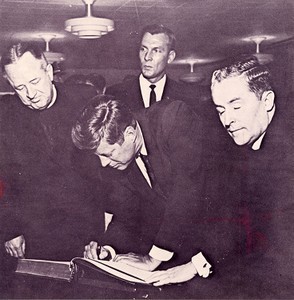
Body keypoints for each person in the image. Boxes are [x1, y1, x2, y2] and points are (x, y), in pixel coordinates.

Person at [144, 56, 294, 298]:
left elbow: (271, 245)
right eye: (220, 110)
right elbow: (232, 218)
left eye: (236, 106)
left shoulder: (287, 152)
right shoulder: (237, 145)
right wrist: (196, 264)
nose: (227, 120)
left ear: (267, 100)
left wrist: (197, 267)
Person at [72, 95, 212, 277]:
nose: (103, 164)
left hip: (217, 244)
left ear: (129, 134)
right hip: (176, 253)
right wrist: (108, 250)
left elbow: (185, 192)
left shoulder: (173, 118)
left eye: (108, 154)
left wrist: (152, 259)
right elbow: (126, 214)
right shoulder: (121, 160)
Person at [0, 42, 104, 261]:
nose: (29, 94)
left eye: (34, 81)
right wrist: (10, 228)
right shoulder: (6, 115)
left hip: (88, 226)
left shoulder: (86, 99)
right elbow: (5, 177)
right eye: (19, 87)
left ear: (48, 71)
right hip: (36, 230)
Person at [106, 24, 197, 110]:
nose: (147, 57)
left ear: (170, 57)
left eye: (156, 50)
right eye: (143, 49)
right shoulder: (115, 94)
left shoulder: (185, 97)